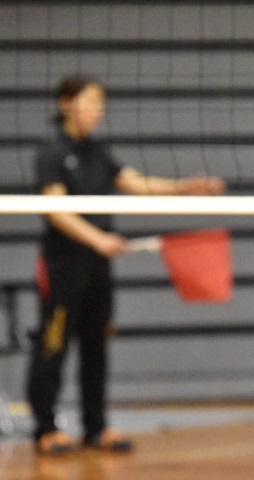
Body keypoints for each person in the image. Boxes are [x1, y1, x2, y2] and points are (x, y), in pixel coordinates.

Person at [29, 74, 226, 455]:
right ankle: (45, 429)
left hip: (97, 266)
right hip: (62, 264)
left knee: (96, 345)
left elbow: (136, 182)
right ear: (66, 104)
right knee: (53, 345)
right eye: (90, 102)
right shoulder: (52, 152)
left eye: (100, 103)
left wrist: (184, 187)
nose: (97, 110)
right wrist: (98, 239)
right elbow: (56, 210)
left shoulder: (98, 151)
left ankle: (95, 427)